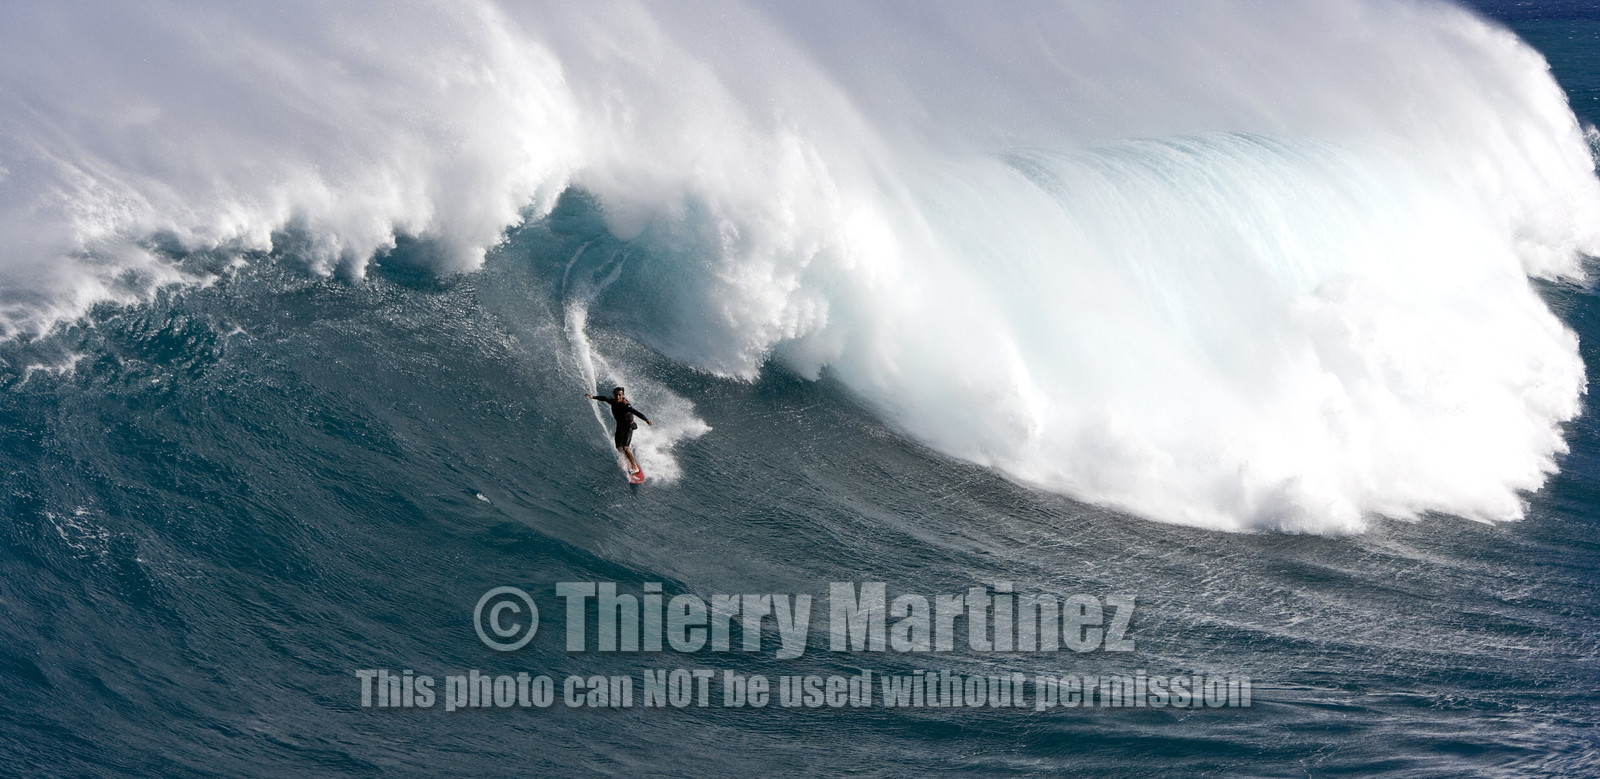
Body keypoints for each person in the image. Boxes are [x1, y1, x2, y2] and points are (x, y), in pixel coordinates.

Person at [587, 386, 652, 475]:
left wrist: (646, 419)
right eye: (616, 395)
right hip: (620, 426)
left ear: (623, 395)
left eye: (620, 395)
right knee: (619, 448)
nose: (618, 397)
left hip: (628, 427)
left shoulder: (626, 405)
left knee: (625, 447)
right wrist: (593, 397)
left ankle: (635, 467)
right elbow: (605, 398)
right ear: (614, 395)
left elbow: (636, 412)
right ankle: (628, 458)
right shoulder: (613, 401)